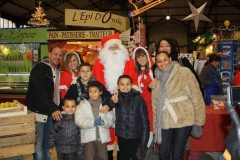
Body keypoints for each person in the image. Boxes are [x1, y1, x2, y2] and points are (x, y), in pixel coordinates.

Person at [153, 37, 205, 159]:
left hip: (183, 118)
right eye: (159, 61)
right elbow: (155, 104)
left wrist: (199, 121)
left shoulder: (184, 72)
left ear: (170, 59)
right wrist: (156, 125)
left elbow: (197, 97)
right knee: (163, 153)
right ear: (155, 63)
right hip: (165, 120)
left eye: (165, 60)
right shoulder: (157, 79)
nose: (162, 63)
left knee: (177, 153)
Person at [92, 32, 139, 159]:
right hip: (105, 102)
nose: (114, 50)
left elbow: (133, 82)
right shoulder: (98, 64)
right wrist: (108, 102)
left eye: (116, 47)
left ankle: (120, 154)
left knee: (122, 132)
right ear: (105, 50)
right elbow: (96, 86)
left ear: (121, 48)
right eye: (110, 47)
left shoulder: (129, 63)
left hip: (125, 103)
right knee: (106, 130)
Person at [25, 46, 63, 160]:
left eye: (60, 55)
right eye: (55, 54)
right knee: (39, 144)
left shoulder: (56, 71)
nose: (57, 57)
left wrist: (57, 108)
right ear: (49, 54)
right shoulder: (40, 67)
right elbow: (40, 91)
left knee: (48, 144)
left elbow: (56, 93)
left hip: (50, 113)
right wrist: (53, 108)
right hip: (38, 113)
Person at [111, 75, 150, 160]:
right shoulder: (116, 97)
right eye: (122, 84)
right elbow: (114, 103)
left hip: (136, 137)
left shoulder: (139, 99)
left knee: (137, 157)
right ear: (118, 86)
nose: (125, 87)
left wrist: (143, 141)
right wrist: (115, 102)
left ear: (132, 85)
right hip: (122, 137)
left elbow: (145, 122)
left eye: (127, 84)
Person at [75, 81, 115, 160]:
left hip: (102, 138)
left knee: (103, 157)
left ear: (100, 92)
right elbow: (78, 120)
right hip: (88, 138)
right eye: (90, 91)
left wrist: (104, 122)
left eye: (95, 91)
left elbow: (111, 119)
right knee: (89, 157)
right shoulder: (82, 104)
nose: (92, 94)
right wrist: (93, 122)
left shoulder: (105, 105)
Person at [132, 47, 154, 158]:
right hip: (139, 106)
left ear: (147, 56)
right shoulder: (134, 72)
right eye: (138, 56)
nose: (141, 58)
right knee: (140, 131)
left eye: (143, 55)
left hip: (151, 105)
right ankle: (142, 154)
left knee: (150, 130)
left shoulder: (153, 69)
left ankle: (147, 154)